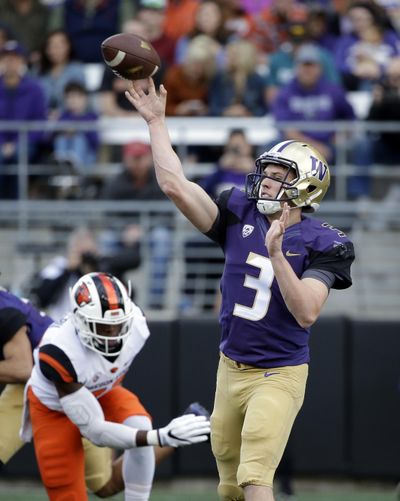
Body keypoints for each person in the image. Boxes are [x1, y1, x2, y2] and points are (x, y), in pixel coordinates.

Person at [125, 77, 355, 501]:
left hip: (278, 373)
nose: (265, 181)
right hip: (229, 367)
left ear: (305, 187)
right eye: (265, 173)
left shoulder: (325, 242)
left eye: (278, 175)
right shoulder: (238, 210)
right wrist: (156, 122)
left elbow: (306, 312)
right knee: (229, 488)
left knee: (255, 478)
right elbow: (176, 186)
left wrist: (278, 254)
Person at [0, 285, 209, 497]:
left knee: (136, 431)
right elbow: (96, 430)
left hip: (98, 389)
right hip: (54, 400)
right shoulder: (60, 351)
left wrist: (155, 436)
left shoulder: (136, 323)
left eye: (117, 325)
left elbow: (21, 368)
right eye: (102, 326)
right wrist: (159, 437)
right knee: (79, 491)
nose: (112, 334)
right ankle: (174, 435)